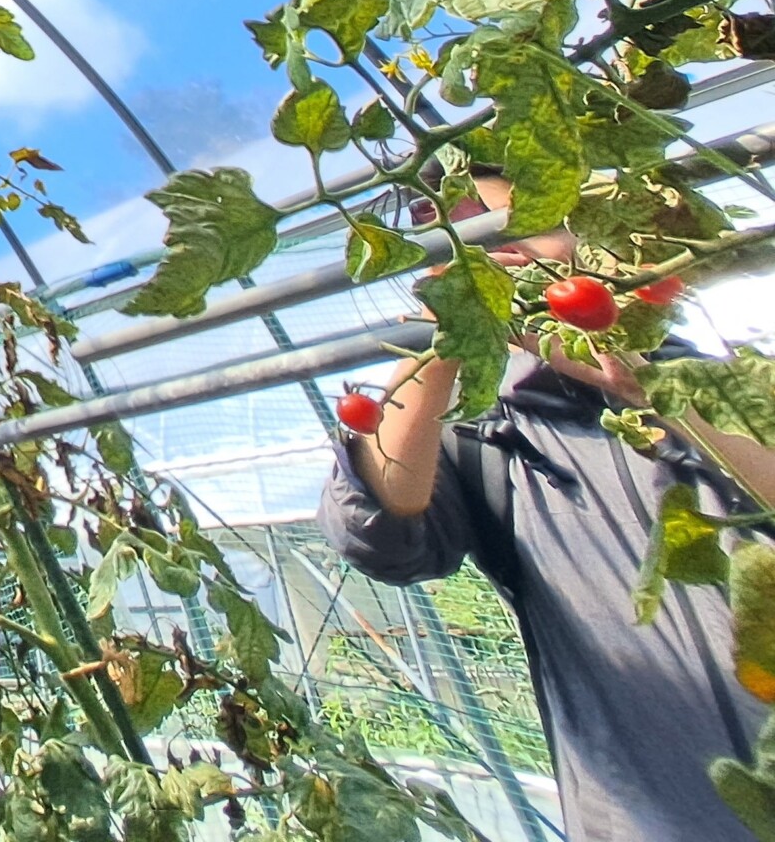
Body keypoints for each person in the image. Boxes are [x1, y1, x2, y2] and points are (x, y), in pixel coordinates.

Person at [319, 167, 775, 841]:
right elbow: (374, 534)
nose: (490, 250)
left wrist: (654, 387)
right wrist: (442, 338)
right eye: (451, 232)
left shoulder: (734, 369)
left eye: (515, 225)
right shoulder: (481, 441)